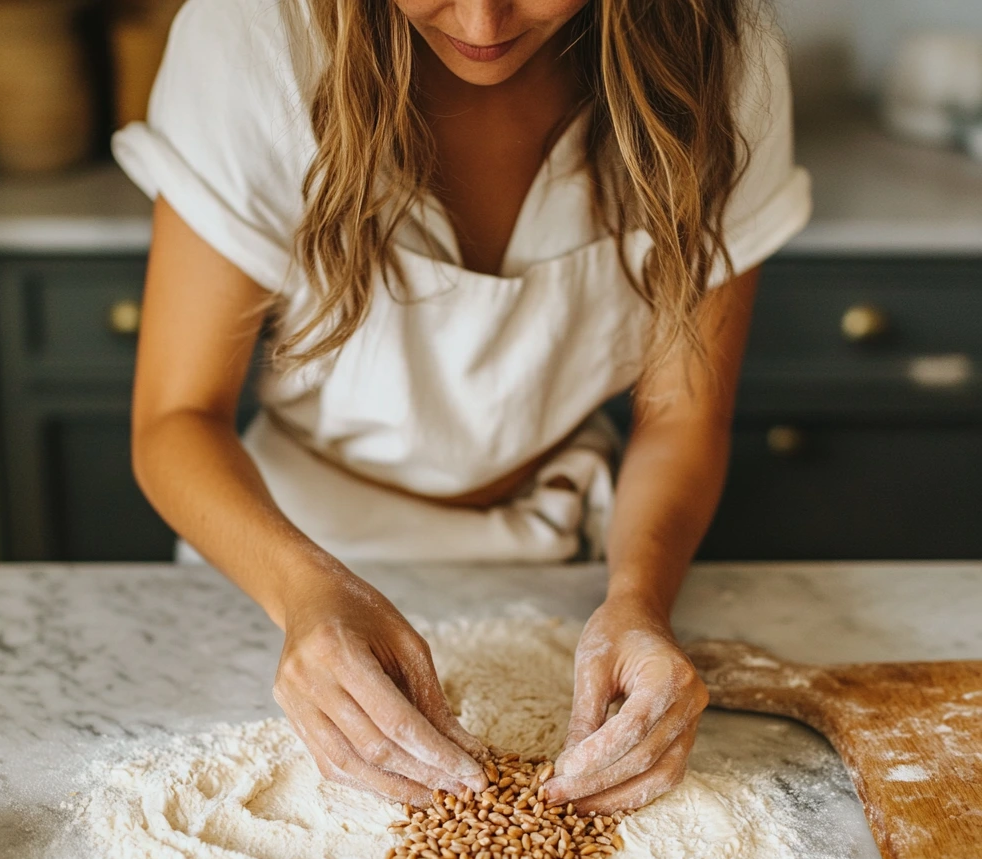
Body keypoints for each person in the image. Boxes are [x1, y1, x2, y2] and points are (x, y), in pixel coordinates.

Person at [114, 0, 811, 813]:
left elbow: (681, 417)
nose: (482, 24)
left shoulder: (721, 54)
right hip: (281, 561)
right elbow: (174, 420)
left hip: (566, 561)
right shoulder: (253, 37)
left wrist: (637, 602)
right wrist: (305, 597)